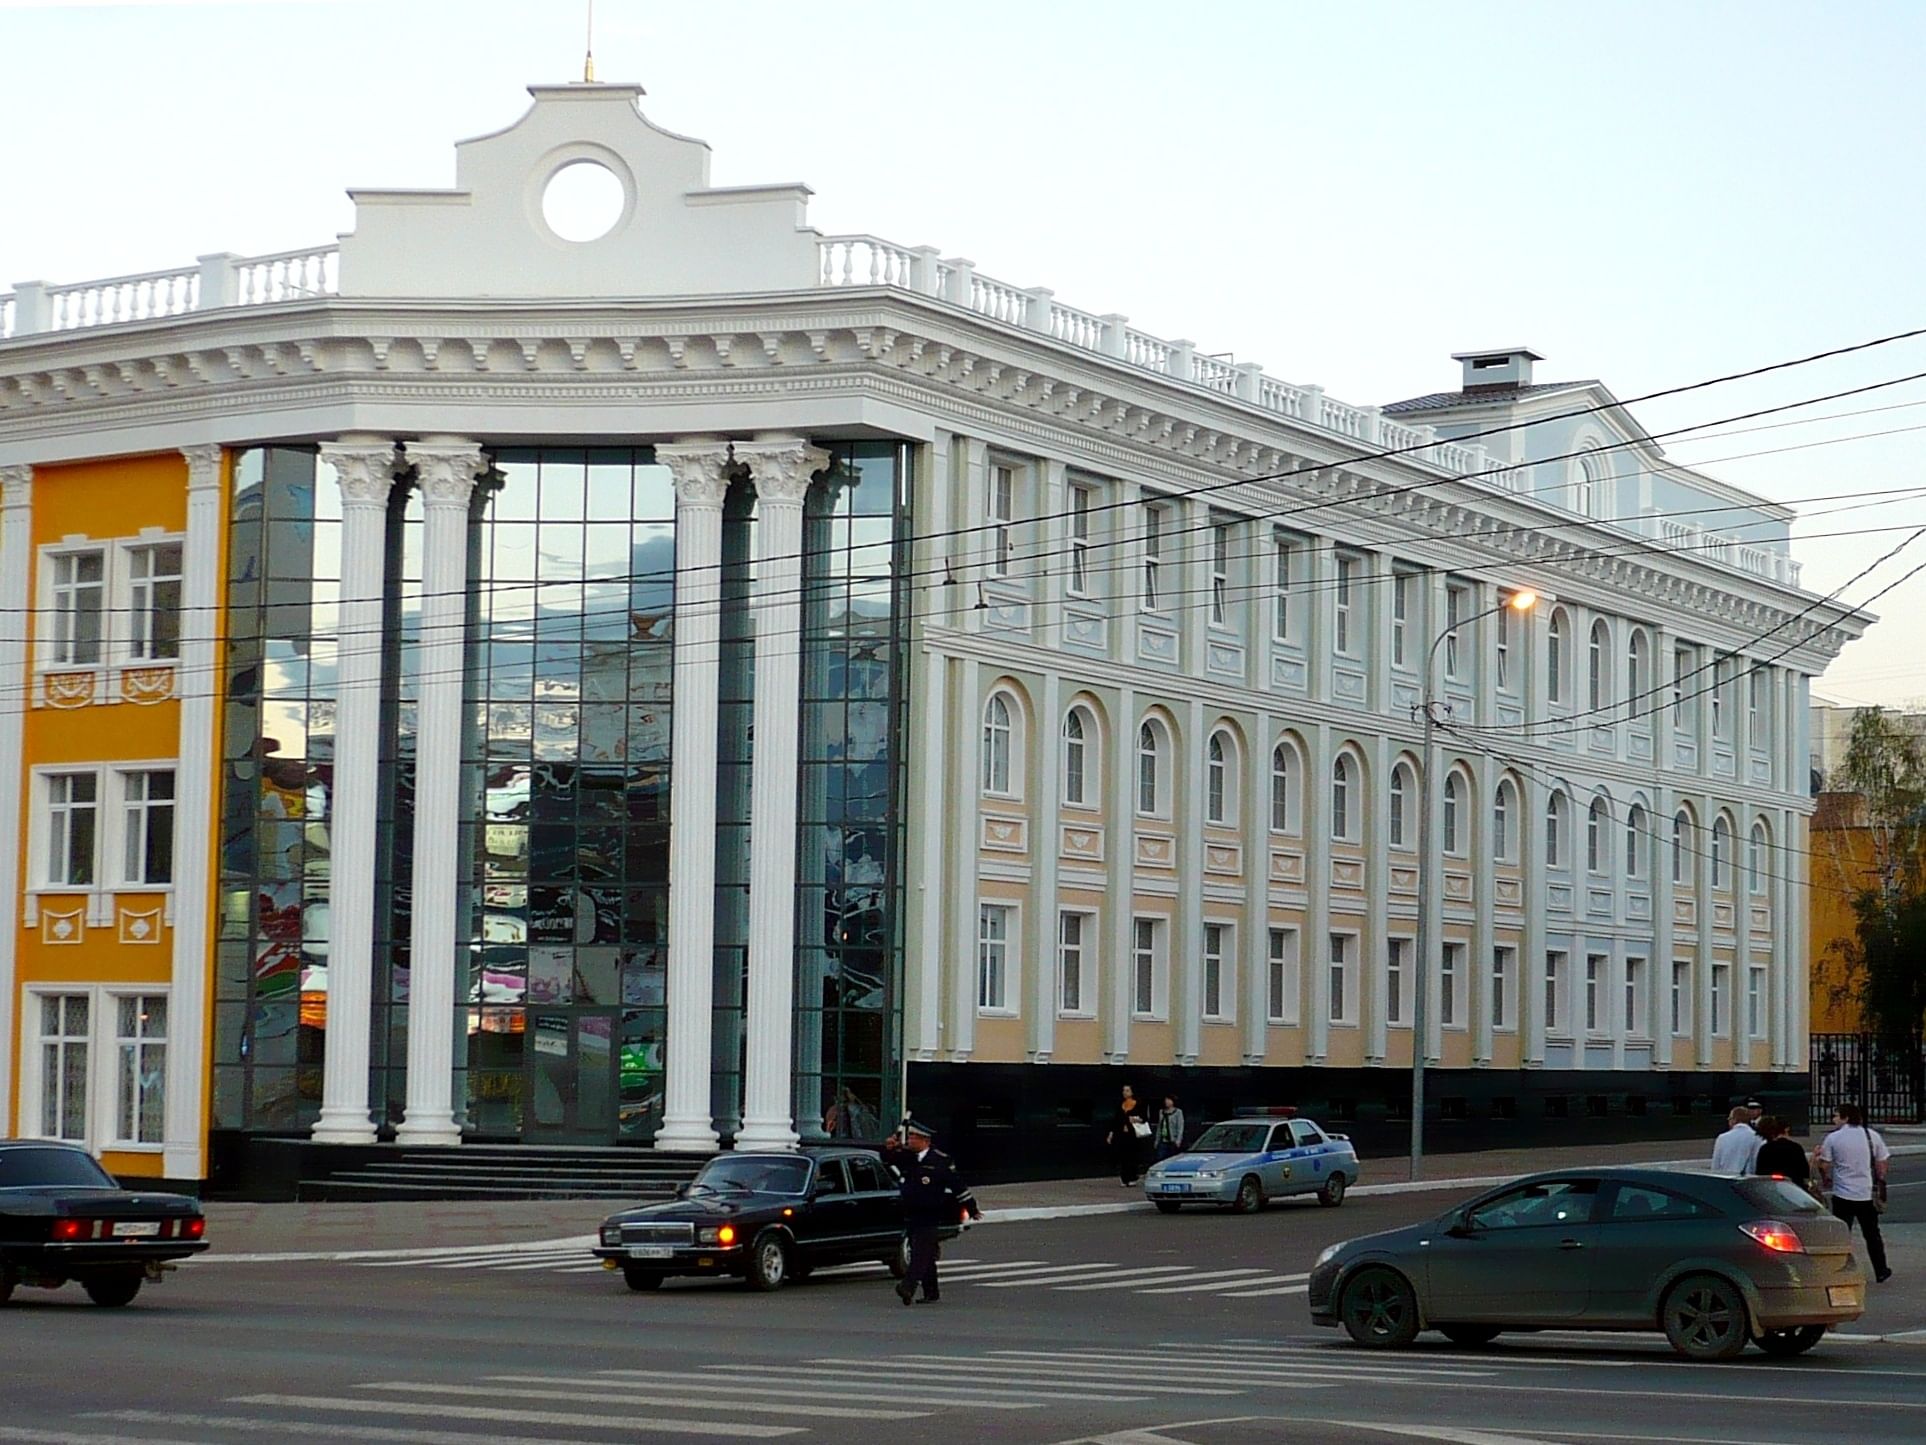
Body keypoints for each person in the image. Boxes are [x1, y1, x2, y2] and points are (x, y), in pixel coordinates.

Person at [882, 1118, 964, 1305]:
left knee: (919, 1252)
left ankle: (907, 1286)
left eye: (913, 1137)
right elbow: (887, 1160)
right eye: (909, 1136)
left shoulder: (940, 1160)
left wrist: (972, 1207)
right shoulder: (908, 1157)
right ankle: (931, 1292)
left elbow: (957, 1185)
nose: (909, 1140)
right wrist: (889, 1148)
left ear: (925, 1140)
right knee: (925, 1252)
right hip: (911, 1213)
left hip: (931, 1213)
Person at [1816, 1102, 1892, 1284]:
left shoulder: (1833, 1138)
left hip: (1842, 1193)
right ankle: (1881, 1269)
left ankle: (1837, 1270)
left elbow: (1825, 1164)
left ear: (1845, 1117)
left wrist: (1826, 1178)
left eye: (1835, 1116)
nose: (1833, 1119)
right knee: (1872, 1234)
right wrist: (1879, 1179)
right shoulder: (1871, 1136)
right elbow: (1882, 1163)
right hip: (1866, 1193)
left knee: (1842, 1234)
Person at [1752, 1116, 1811, 1193]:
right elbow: (1804, 1172)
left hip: (1772, 1189)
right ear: (1786, 1129)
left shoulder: (1765, 1148)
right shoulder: (1795, 1147)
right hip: (1794, 1189)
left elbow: (1760, 1172)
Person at [1105, 1085, 1148, 1186]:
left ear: (1132, 1092)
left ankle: (1133, 1177)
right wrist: (1111, 1134)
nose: (1125, 1092)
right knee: (1123, 1156)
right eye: (1124, 1090)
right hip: (1121, 1134)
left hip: (1133, 1134)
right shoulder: (1121, 1105)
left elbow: (1144, 1118)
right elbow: (1115, 1120)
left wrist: (1136, 1119)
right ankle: (1124, 1178)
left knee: (1132, 1156)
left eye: (1127, 1090)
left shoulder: (1138, 1104)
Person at [1710, 1105, 1763, 1173]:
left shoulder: (1722, 1138)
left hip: (1726, 1177)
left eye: (1729, 1119)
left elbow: (1715, 1165)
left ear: (1734, 1120)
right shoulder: (1757, 1137)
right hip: (1747, 1178)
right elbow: (1755, 1161)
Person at [1153, 1095, 1186, 1162]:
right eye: (1166, 1100)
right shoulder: (1161, 1112)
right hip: (1163, 1140)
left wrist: (1178, 1140)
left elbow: (1180, 1127)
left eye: (1168, 1100)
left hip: (1173, 1140)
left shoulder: (1178, 1112)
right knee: (1160, 1158)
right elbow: (1159, 1127)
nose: (1166, 1102)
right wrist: (1157, 1141)